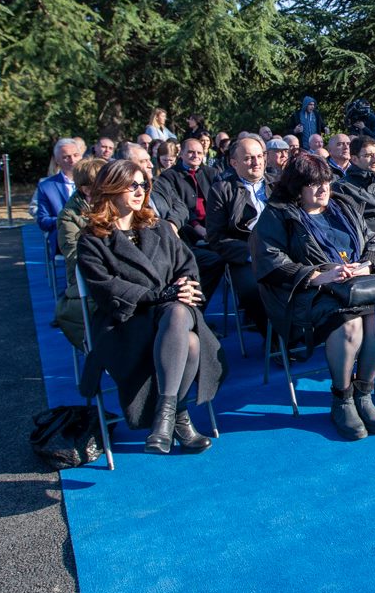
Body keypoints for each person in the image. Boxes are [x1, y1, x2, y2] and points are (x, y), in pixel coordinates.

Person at [250, 154, 375, 440]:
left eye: (326, 182)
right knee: (349, 323)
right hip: (309, 292)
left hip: (357, 283)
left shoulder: (342, 206)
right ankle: (342, 398)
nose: (323, 189)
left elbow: (372, 240)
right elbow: (270, 261)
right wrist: (318, 275)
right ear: (296, 187)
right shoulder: (278, 215)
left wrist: (367, 265)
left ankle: (363, 392)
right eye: (314, 184)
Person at [77, 160, 226, 454]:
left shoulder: (157, 227)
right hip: (126, 322)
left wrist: (185, 285)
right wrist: (160, 295)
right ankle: (177, 416)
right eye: (132, 185)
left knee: (180, 314)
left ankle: (163, 419)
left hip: (172, 316)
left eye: (143, 184)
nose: (140, 191)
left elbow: (187, 266)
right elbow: (108, 289)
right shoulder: (93, 239)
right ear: (111, 188)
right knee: (190, 340)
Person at [205, 136, 271, 331]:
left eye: (259, 156)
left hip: (282, 249)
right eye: (249, 158)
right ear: (234, 163)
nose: (256, 162)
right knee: (254, 290)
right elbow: (216, 237)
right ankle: (275, 338)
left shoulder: (279, 185)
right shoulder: (221, 190)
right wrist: (251, 253)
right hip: (246, 255)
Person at [54, 157, 107, 347]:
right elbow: (74, 256)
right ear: (87, 190)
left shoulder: (116, 206)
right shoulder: (69, 216)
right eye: (104, 184)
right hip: (87, 278)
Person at [332, 136, 375, 264]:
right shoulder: (341, 188)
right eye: (368, 155)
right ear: (354, 159)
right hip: (363, 250)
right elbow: (348, 224)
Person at [36, 138, 84, 250]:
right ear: (57, 160)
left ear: (81, 156)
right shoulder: (46, 186)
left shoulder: (94, 181)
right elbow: (43, 221)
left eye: (76, 155)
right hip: (64, 238)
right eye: (66, 157)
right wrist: (67, 220)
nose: (72, 160)